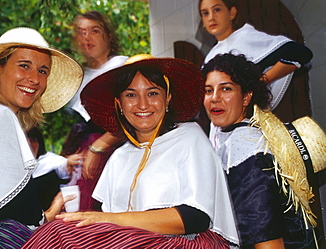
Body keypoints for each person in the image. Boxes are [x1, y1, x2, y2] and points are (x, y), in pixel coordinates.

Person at [22, 54, 240, 248]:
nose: (142, 105)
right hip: (133, 241)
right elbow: (107, 222)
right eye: (131, 95)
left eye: (152, 93)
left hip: (189, 242)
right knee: (56, 231)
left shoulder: (189, 137)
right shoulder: (120, 157)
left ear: (168, 99)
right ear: (119, 104)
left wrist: (112, 220)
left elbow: (195, 218)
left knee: (61, 233)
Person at [0, 27, 83, 247]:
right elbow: (21, 207)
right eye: (24, 66)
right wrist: (49, 214)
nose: (34, 78)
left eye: (43, 71)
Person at [201, 52, 316, 248]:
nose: (215, 98)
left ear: (246, 97)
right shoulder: (238, 136)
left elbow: (267, 240)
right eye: (208, 90)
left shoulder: (246, 147)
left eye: (226, 89)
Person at [198, 0, 313, 123]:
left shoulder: (247, 37)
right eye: (205, 13)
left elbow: (300, 53)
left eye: (217, 10)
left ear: (232, 13)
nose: (211, 17)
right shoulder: (211, 56)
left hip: (254, 125)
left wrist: (261, 81)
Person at [64, 11, 129, 211]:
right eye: (81, 32)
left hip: (116, 150)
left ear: (108, 36)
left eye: (95, 31)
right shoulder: (77, 77)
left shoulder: (122, 66)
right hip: (85, 154)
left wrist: (97, 148)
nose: (87, 37)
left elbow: (129, 120)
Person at [27, 126, 82, 211]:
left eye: (33, 140)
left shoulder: (51, 161)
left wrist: (69, 162)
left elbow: (65, 166)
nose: (30, 145)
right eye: (25, 141)